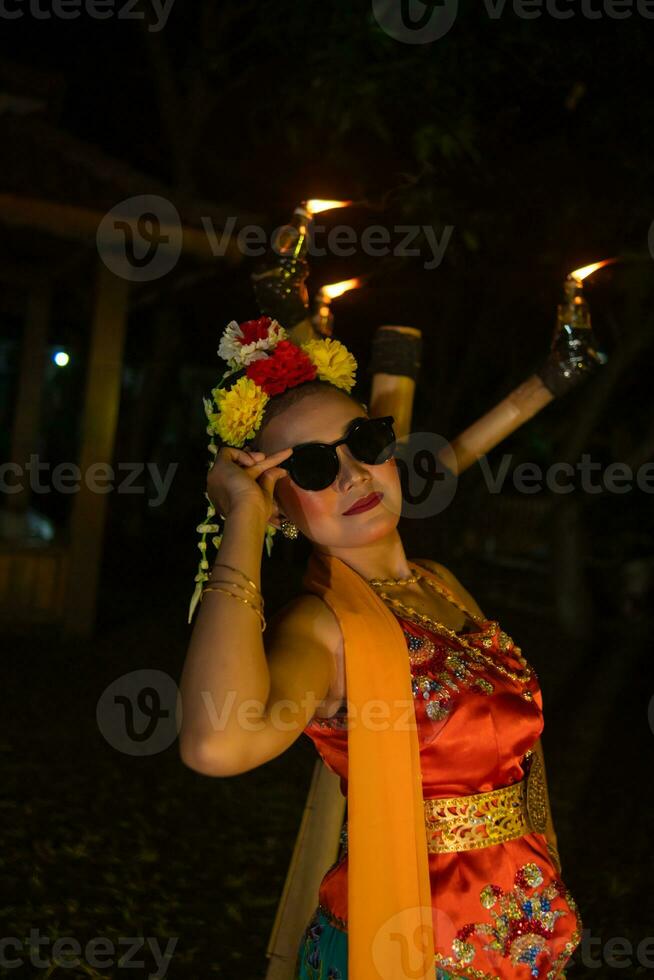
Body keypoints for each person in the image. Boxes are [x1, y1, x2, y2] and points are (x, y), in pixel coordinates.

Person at [179, 316, 583, 980]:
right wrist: (243, 522)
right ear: (275, 502)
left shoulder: (439, 585)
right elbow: (215, 744)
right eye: (310, 466)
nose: (350, 477)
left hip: (523, 931)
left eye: (363, 442)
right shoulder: (322, 628)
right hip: (406, 945)